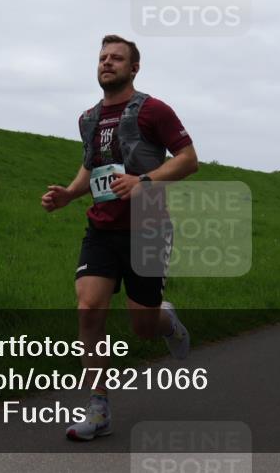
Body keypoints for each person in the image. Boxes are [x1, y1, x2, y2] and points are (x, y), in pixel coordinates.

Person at [40, 35, 199, 441]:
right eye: (102, 58)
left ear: (134, 67)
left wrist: (144, 179)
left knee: (142, 325)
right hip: (102, 229)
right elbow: (90, 167)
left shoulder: (154, 110)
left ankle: (168, 322)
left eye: (116, 58)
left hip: (147, 229)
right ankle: (99, 408)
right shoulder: (88, 118)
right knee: (88, 307)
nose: (107, 63)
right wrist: (68, 195)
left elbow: (188, 160)